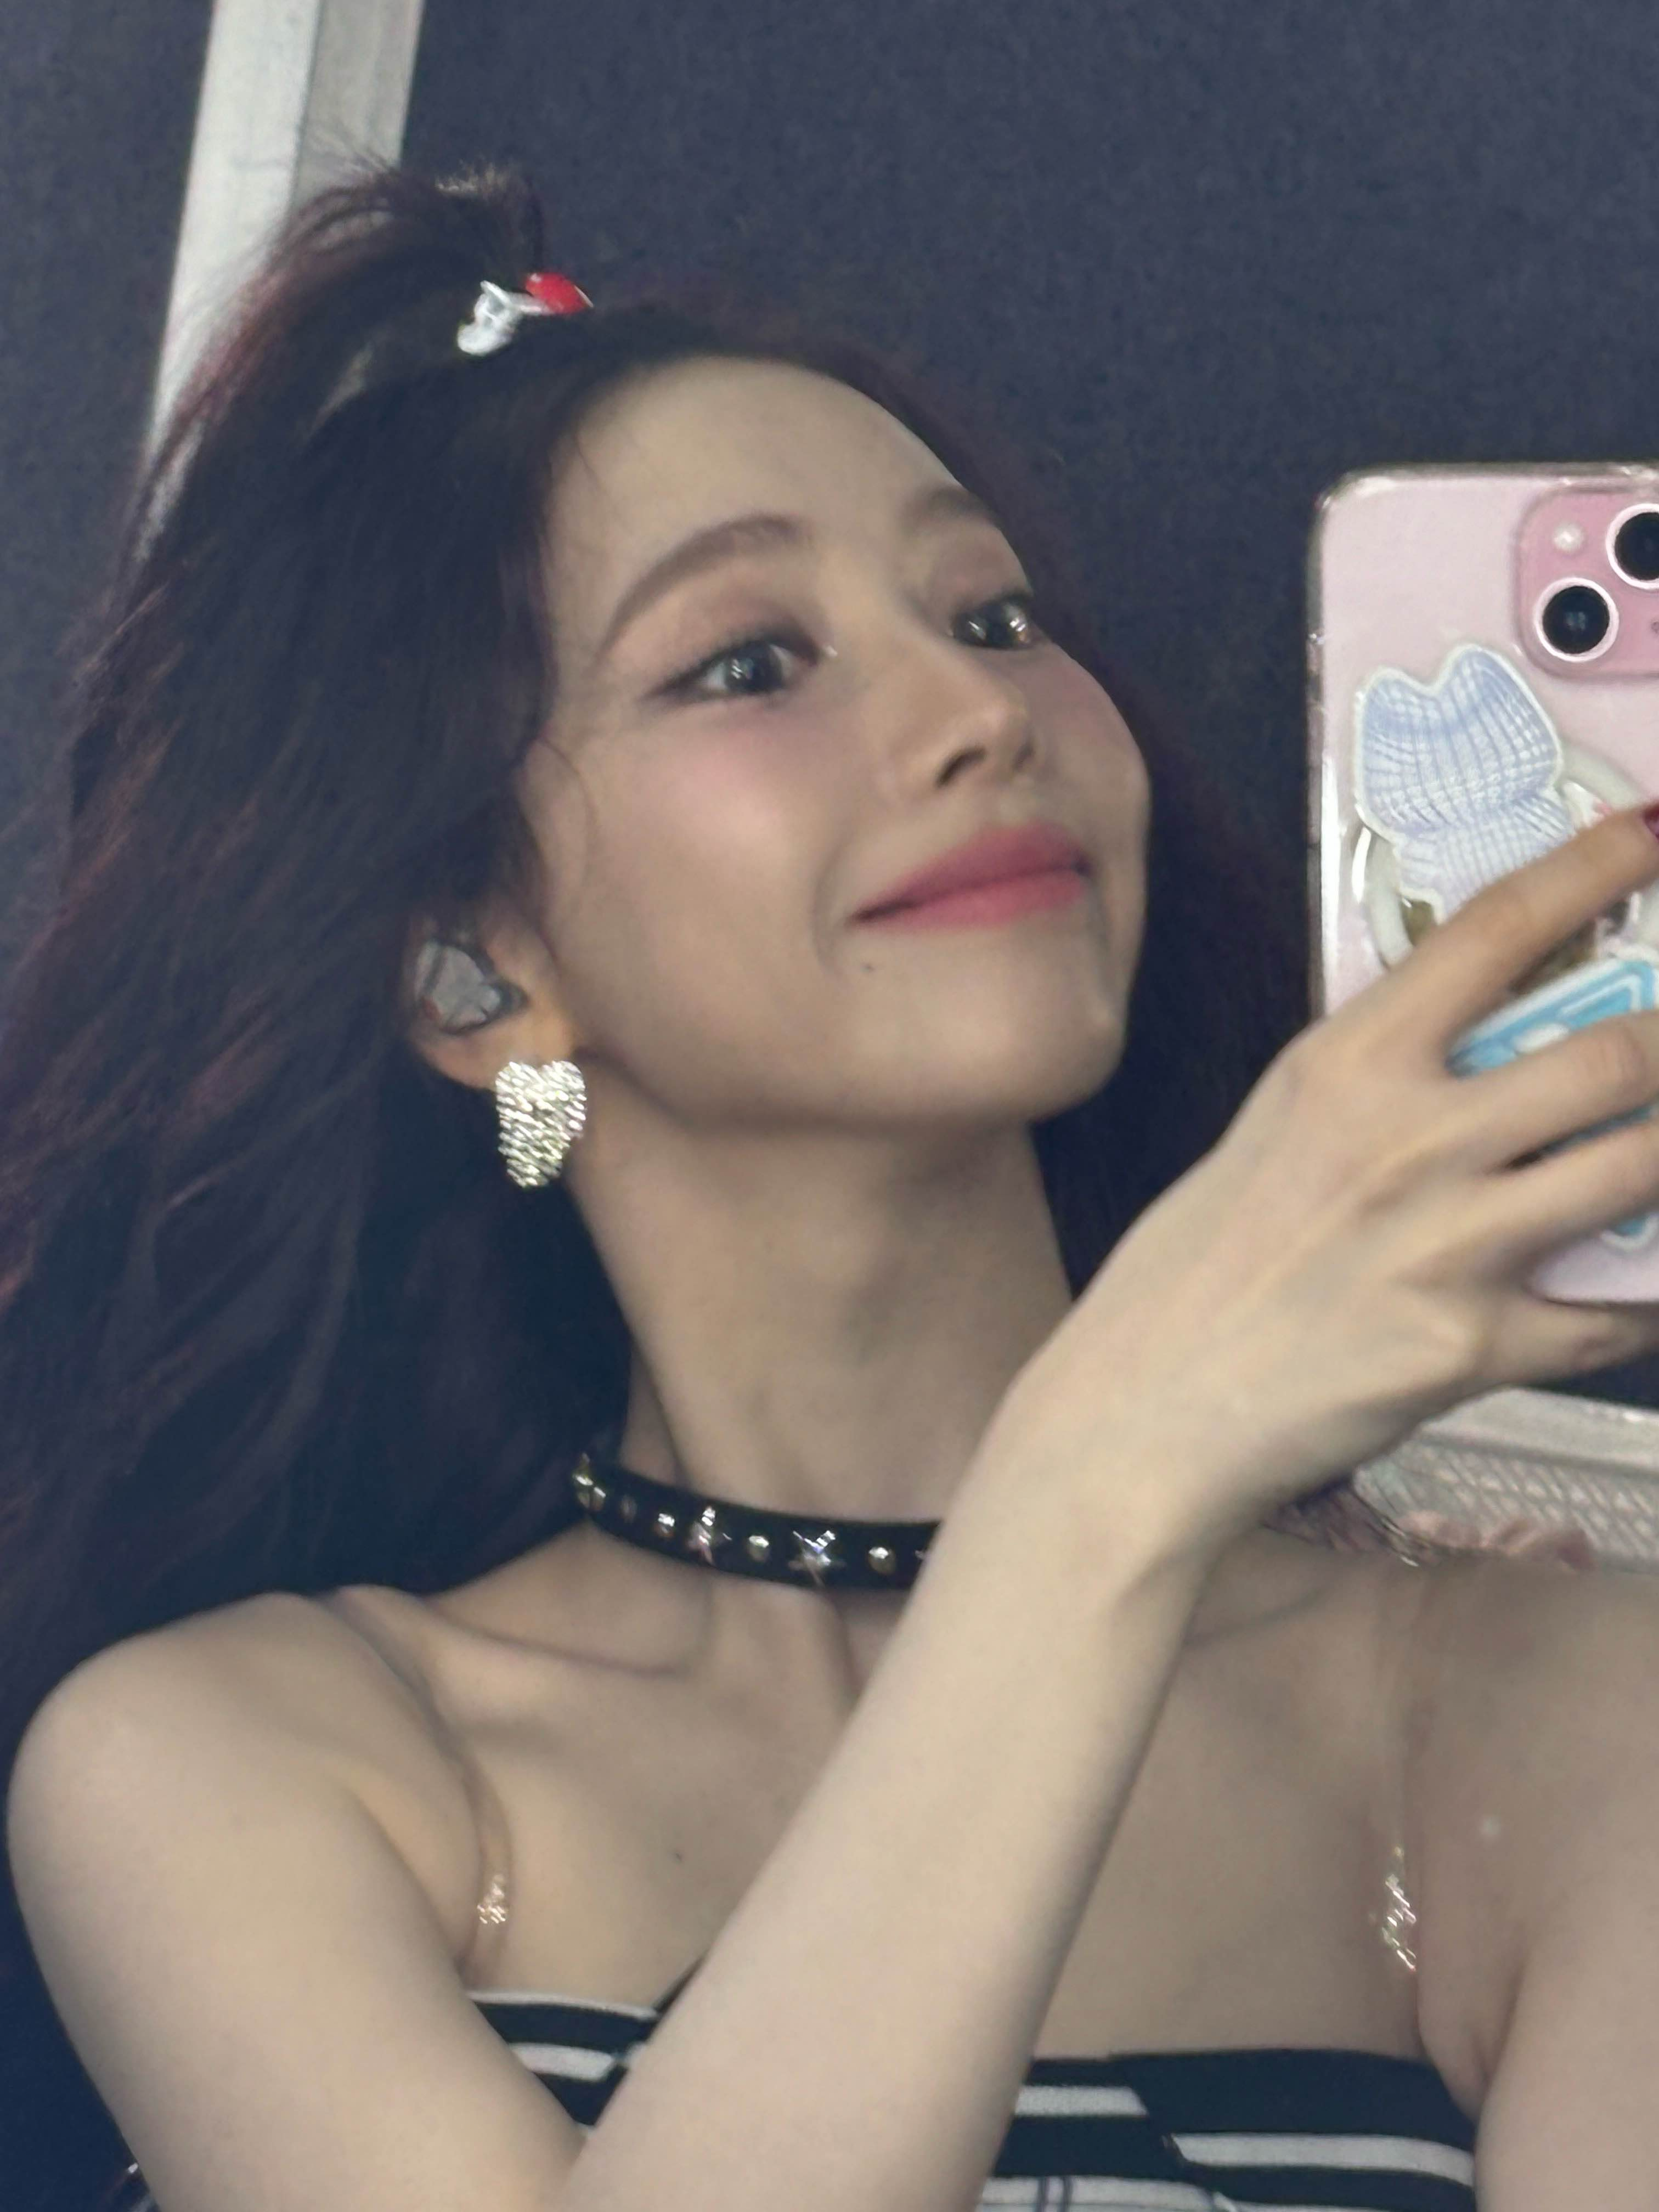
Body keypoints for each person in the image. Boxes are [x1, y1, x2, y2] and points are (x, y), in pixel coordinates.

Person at [4, 160, 1659, 2212]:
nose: (982, 713)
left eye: (995, 617)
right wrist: (1114, 1473)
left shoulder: (1539, 1712)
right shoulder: (242, 1762)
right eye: (748, 661)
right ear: (471, 972)